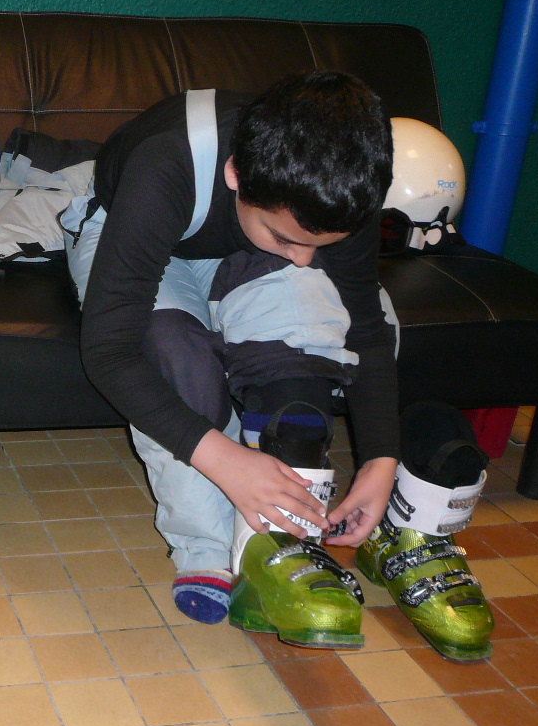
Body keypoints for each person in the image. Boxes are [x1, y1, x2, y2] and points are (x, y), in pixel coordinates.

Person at [67, 72, 494, 657]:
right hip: (138, 231)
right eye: (287, 238)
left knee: (314, 317)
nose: (304, 258)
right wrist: (228, 462)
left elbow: (365, 329)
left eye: (321, 244)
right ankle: (209, 546)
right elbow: (109, 352)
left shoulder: (344, 185)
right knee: (174, 349)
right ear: (236, 174)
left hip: (240, 242)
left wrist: (380, 460)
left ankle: (280, 527)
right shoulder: (165, 166)